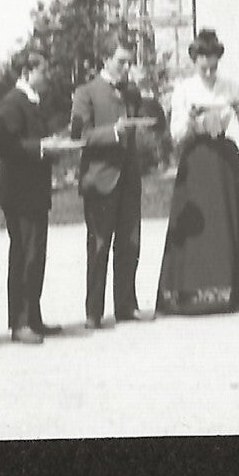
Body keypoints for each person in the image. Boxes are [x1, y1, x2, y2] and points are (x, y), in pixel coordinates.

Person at [156, 28, 239, 315]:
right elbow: (176, 133)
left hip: (224, 158)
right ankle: (193, 289)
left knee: (227, 220)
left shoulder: (229, 86)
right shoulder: (184, 89)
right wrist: (192, 119)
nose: (209, 72)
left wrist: (238, 109)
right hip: (197, 159)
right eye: (204, 66)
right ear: (195, 62)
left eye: (213, 66)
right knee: (201, 224)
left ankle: (234, 286)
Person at [0, 50, 76, 345]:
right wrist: (41, 146)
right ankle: (20, 322)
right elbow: (3, 145)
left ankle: (33, 317)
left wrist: (51, 146)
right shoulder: (13, 103)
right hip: (19, 192)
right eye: (42, 70)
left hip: (34, 191)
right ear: (26, 72)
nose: (47, 75)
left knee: (36, 255)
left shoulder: (33, 102)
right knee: (24, 255)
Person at [70, 35, 158, 328]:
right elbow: (80, 136)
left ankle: (126, 305)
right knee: (98, 246)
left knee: (130, 243)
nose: (126, 67)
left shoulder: (131, 93)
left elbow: (149, 120)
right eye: (121, 61)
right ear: (105, 59)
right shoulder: (86, 92)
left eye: (129, 62)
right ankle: (93, 312)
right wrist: (115, 132)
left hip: (128, 179)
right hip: (101, 179)